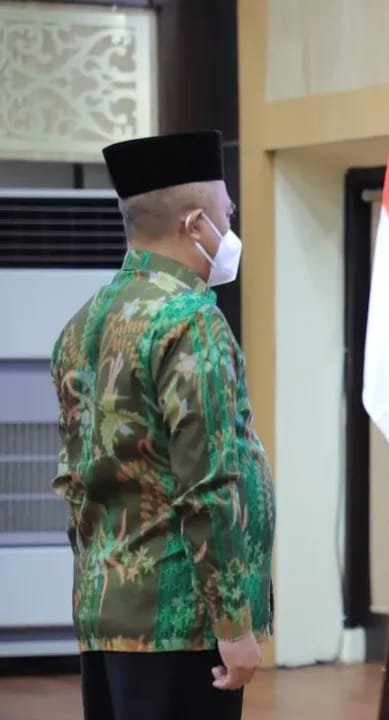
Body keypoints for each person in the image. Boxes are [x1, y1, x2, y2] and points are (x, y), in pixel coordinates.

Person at [50, 130, 275, 720]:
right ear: (195, 224)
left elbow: (76, 480)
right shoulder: (190, 319)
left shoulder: (82, 323)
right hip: (182, 623)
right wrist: (234, 622)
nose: (230, 229)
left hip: (107, 615)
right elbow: (210, 480)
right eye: (226, 215)